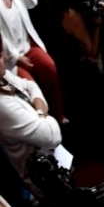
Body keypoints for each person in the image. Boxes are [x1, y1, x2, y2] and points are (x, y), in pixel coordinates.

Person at [0, 0, 62, 122]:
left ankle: (59, 114)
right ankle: (43, 126)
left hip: (29, 46)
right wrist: (16, 57)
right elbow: (0, 38)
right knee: (31, 89)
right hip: (12, 58)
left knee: (50, 67)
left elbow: (32, 2)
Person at [0, 32, 62, 192]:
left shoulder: (3, 78)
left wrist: (40, 114)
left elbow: (29, 85)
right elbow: (53, 136)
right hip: (44, 182)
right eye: (0, 56)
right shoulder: (2, 106)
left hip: (50, 157)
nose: (5, 58)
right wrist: (42, 112)